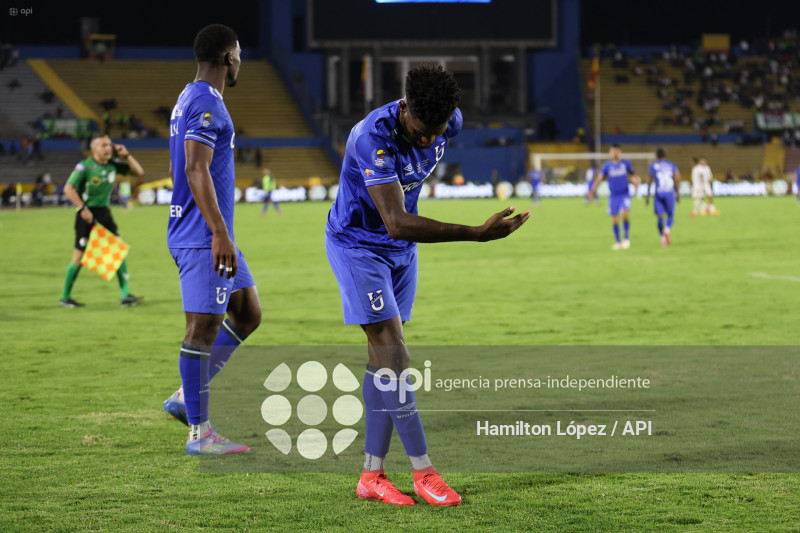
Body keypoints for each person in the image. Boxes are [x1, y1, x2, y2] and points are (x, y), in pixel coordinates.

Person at [325, 64, 530, 507]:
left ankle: (371, 476)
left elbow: (402, 231)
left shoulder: (447, 121)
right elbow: (396, 222)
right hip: (360, 245)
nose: (426, 141)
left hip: (402, 253)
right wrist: (474, 233)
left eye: (434, 133)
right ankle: (424, 472)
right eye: (419, 131)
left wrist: (436, 131)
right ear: (405, 110)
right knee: (395, 353)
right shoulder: (372, 138)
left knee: (382, 359)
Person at [161, 24, 261, 455]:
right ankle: (200, 435)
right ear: (228, 58)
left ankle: (186, 397)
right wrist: (220, 233)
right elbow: (195, 169)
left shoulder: (193, 94)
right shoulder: (205, 102)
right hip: (204, 236)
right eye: (238, 54)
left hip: (215, 234)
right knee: (202, 329)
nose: (240, 60)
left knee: (247, 312)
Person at [59, 135, 145, 308]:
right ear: (94, 149)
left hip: (104, 213)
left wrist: (126, 155)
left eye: (109, 145)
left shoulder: (113, 164)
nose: (108, 148)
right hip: (87, 214)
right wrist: (82, 208)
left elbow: (139, 172)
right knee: (79, 256)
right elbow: (68, 188)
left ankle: (125, 295)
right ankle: (65, 298)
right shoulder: (85, 167)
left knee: (119, 251)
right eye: (103, 145)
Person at [588, 144, 640, 250]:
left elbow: (633, 175)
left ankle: (626, 238)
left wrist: (636, 185)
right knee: (615, 219)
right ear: (610, 152)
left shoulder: (626, 163)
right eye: (612, 151)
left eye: (616, 150)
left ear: (620, 151)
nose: (614, 153)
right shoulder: (607, 166)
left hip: (624, 194)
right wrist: (592, 191)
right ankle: (617, 242)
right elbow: (599, 179)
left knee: (624, 214)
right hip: (613, 196)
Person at [646, 148, 680, 246]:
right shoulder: (672, 165)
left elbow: (650, 180)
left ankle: (662, 238)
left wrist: (647, 196)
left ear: (656, 155)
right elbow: (677, 179)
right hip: (670, 193)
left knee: (660, 216)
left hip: (659, 193)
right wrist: (677, 193)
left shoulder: (653, 166)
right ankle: (667, 230)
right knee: (670, 215)